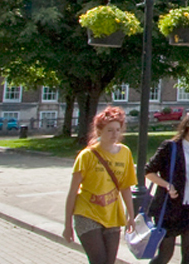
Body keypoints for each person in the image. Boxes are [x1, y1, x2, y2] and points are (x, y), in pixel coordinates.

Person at [63, 106, 136, 264]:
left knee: (109, 261)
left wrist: (131, 215)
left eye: (117, 129)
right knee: (98, 260)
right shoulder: (87, 156)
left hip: (112, 214)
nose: (114, 134)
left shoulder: (125, 153)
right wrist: (67, 224)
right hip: (87, 213)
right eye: (110, 130)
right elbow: (72, 192)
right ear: (99, 131)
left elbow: (125, 187)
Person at [144, 110, 189, 264]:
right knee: (165, 255)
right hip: (170, 209)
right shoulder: (170, 147)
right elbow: (149, 171)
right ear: (187, 126)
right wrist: (167, 185)